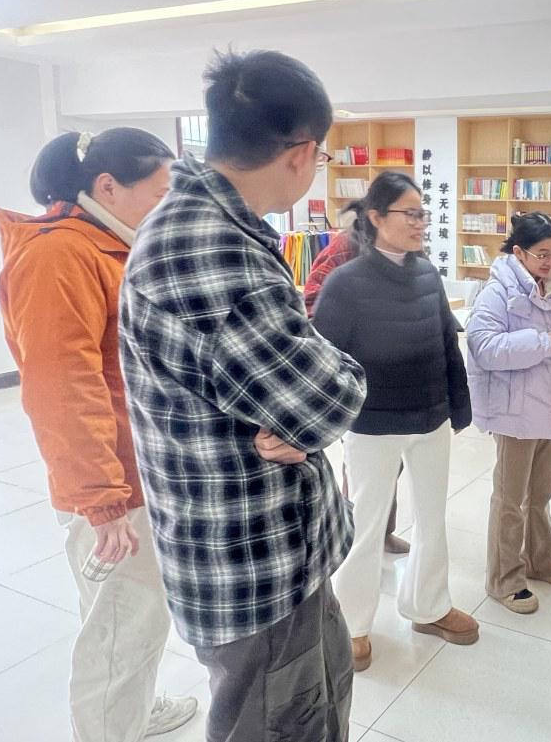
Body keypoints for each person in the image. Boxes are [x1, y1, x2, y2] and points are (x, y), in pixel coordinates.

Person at [118, 50, 367, 742]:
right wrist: (320, 388)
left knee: (317, 705)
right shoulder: (211, 249)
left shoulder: (212, 224)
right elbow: (326, 399)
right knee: (282, 722)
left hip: (277, 552)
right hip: (253, 565)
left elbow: (296, 391)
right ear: (302, 152)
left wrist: (299, 396)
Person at [0, 128, 198, 741]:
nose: (170, 206)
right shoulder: (59, 255)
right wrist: (103, 501)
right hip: (114, 485)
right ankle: (111, 729)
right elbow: (62, 389)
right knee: (120, 630)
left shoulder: (109, 246)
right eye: (161, 192)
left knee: (129, 619)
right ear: (107, 186)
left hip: (139, 470)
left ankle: (132, 711)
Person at [312, 171, 477, 673]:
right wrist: (325, 423)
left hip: (430, 418)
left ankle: (428, 606)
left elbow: (446, 341)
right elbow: (324, 359)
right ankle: (353, 625)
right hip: (372, 423)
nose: (421, 222)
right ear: (377, 218)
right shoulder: (346, 283)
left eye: (423, 214)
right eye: (411, 214)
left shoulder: (427, 274)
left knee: (432, 517)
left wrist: (459, 404)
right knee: (366, 526)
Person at [465, 212, 551, 614]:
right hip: (514, 411)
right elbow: (485, 347)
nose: (550, 261)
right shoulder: (496, 292)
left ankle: (540, 558)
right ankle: (503, 578)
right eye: (542, 254)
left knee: (541, 494)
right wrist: (546, 342)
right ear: (518, 252)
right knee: (510, 499)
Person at [304, 201, 409, 556]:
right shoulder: (341, 251)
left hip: (394, 372)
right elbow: (312, 308)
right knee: (363, 461)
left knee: (392, 457)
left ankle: (382, 532)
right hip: (355, 372)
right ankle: (355, 535)